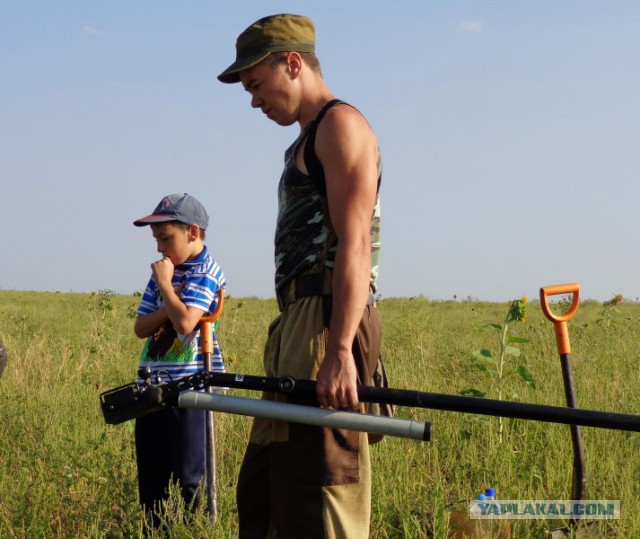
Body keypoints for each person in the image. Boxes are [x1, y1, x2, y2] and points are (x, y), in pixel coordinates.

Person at [218, 14, 384, 539]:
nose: (253, 100)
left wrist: (338, 352)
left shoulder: (341, 125)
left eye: (256, 85)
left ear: (293, 64)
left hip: (325, 321)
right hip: (297, 323)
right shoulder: (306, 139)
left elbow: (355, 243)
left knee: (320, 493)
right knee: (271, 493)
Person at [132, 193, 226, 529]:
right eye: (156, 240)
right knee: (152, 477)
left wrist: (165, 287)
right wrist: (167, 303)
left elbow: (187, 325)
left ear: (193, 232)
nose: (160, 248)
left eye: (166, 238)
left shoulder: (205, 271)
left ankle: (197, 530)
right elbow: (141, 327)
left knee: (190, 478)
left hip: (190, 390)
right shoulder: (164, 272)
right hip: (154, 388)